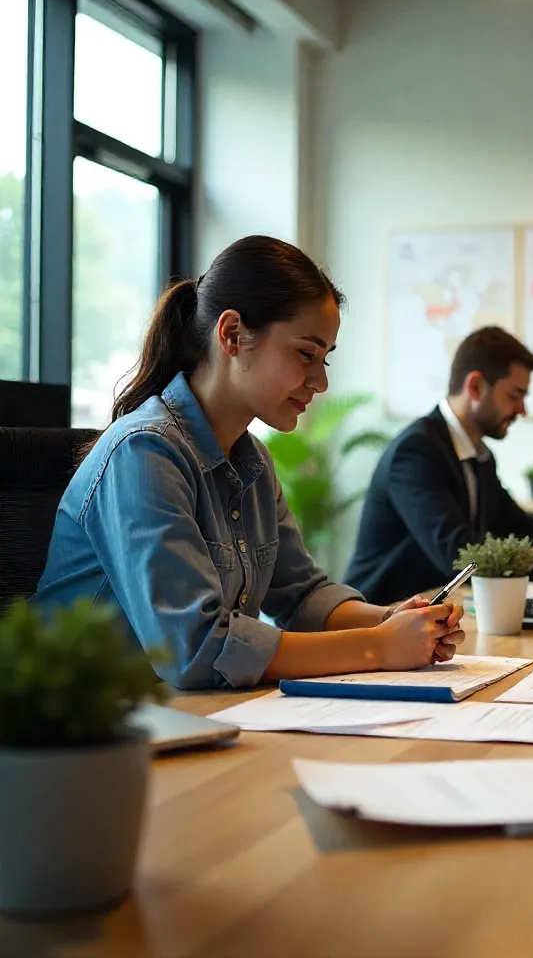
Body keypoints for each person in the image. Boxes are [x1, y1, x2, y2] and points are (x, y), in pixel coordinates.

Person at [34, 235, 463, 690]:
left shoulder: (252, 459)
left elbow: (302, 595)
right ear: (232, 334)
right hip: (81, 731)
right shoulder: (143, 452)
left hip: (179, 715)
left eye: (324, 360)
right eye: (305, 353)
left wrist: (388, 619)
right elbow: (197, 650)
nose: (319, 382)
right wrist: (377, 648)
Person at [346, 326, 533, 604]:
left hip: (437, 613)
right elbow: (459, 554)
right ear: (475, 386)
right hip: (381, 619)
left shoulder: (478, 454)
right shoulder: (415, 452)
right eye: (515, 395)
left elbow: (517, 525)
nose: (522, 410)